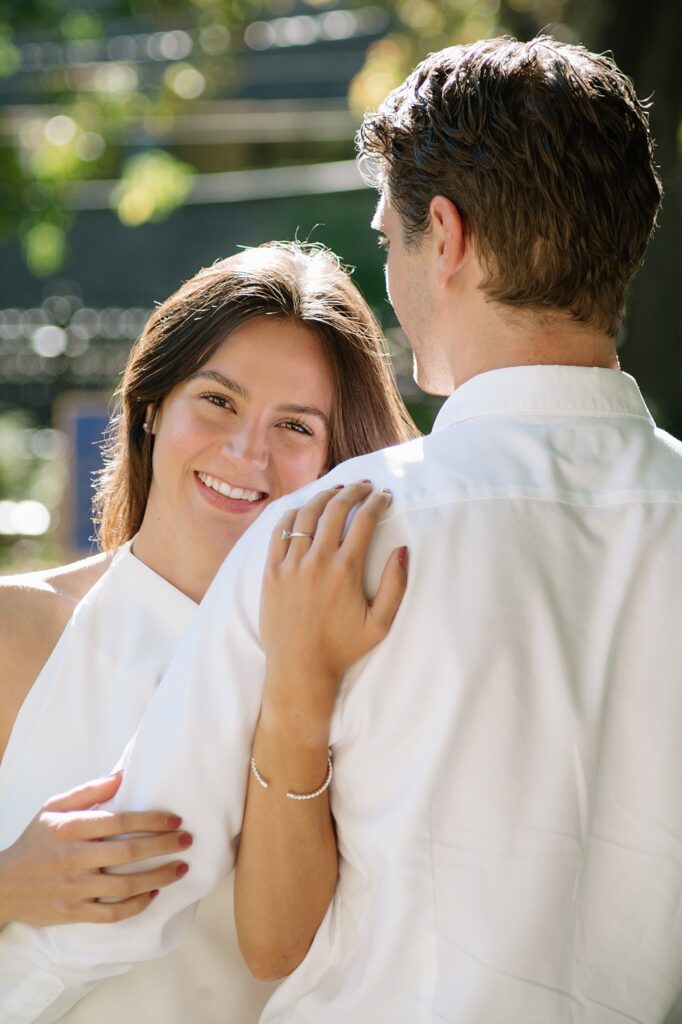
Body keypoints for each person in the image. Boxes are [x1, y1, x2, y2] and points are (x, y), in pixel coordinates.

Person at [2, 32, 682, 1024]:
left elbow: (168, 907)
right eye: (219, 402)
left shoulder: (339, 536)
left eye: (389, 237)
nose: (247, 455)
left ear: (441, 237)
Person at [0, 240, 414, 1021]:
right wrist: (10, 881)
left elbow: (286, 948)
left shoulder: (351, 668)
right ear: (153, 405)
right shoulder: (15, 630)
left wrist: (302, 688)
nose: (247, 451)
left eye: (296, 426)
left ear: (336, 460)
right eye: (218, 400)